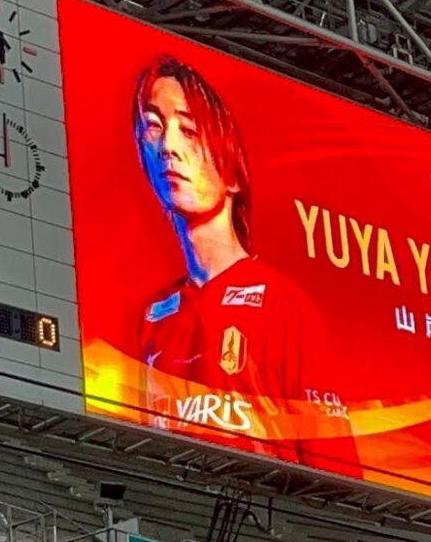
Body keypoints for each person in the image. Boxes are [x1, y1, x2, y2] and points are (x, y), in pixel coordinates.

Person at [130, 55, 358, 474]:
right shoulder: (152, 317)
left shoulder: (283, 303)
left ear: (232, 172)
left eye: (189, 131)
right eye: (154, 127)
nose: (168, 147)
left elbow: (337, 470)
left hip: (263, 508)